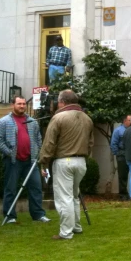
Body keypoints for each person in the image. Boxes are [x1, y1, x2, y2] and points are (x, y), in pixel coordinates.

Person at [39, 89, 94, 240]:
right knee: (74, 196)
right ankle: (76, 227)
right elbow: (90, 143)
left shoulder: (58, 118)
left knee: (65, 198)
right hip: (81, 161)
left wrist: (43, 162)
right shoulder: (87, 118)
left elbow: (49, 144)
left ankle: (66, 232)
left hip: (64, 161)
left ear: (62, 102)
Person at [0, 96, 49, 224]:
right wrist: (9, 152)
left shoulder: (32, 122)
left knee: (36, 187)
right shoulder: (4, 121)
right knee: (10, 188)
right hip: (13, 161)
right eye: (19, 104)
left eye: (24, 104)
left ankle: (38, 215)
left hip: (30, 161)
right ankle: (10, 216)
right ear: (13, 105)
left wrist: (37, 153)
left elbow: (38, 139)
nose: (22, 106)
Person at [109, 115, 131, 201]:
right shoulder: (118, 130)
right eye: (129, 120)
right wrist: (117, 153)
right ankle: (123, 195)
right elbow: (113, 143)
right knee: (122, 176)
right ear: (125, 121)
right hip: (122, 154)